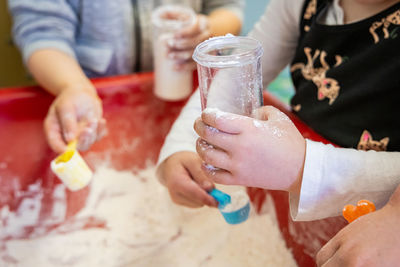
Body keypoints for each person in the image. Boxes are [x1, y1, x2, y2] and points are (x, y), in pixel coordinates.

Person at [157, 0, 400, 264]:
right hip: (297, 181)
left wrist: (303, 166)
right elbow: (235, 75)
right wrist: (181, 144)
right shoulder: (300, 4)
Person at [8, 0, 244, 154]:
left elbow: (229, 8)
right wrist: (73, 86)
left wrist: (207, 28)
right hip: (94, 113)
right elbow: (42, 33)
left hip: (181, 104)